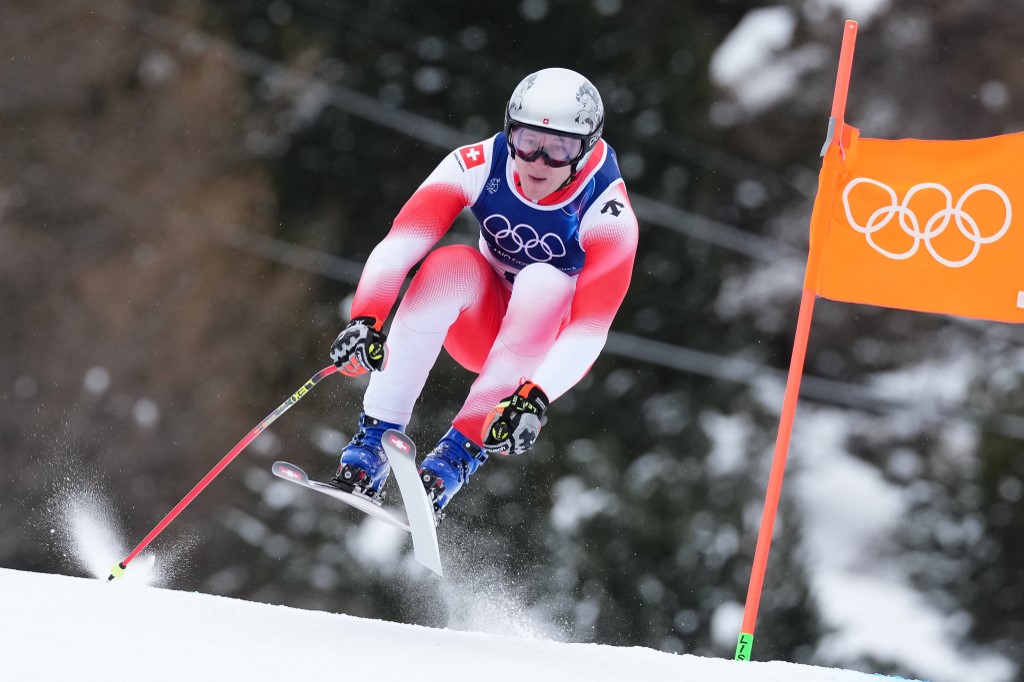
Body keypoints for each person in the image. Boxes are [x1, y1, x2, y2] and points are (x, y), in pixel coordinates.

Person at [328, 67, 639, 520]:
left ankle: (453, 459)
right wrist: (365, 318)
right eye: (528, 141)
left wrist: (535, 396)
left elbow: (590, 330)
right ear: (509, 130)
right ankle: (374, 439)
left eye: (560, 149)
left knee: (545, 281)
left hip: (538, 356)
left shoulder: (607, 211)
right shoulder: (478, 163)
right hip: (479, 325)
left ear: (586, 148)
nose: (538, 162)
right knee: (448, 264)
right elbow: (401, 244)